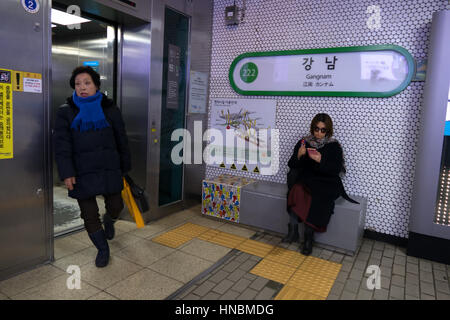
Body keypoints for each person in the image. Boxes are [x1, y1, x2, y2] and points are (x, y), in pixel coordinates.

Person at [54, 66, 131, 268]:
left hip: (109, 168)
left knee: (116, 206)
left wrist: (125, 168)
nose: (82, 87)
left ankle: (110, 219)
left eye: (87, 83)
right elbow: (62, 146)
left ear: (96, 85)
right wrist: (67, 172)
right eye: (78, 84)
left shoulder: (111, 110)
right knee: (88, 214)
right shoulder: (66, 112)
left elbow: (121, 140)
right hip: (81, 172)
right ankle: (103, 249)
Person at [283, 113, 357, 255]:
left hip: (327, 181)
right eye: (316, 129)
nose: (319, 133)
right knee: (295, 191)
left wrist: (320, 160)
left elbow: (336, 170)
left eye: (323, 130)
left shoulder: (333, 146)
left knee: (317, 198)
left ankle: (308, 239)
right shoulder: (304, 142)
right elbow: (292, 164)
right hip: (307, 179)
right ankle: (293, 231)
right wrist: (299, 155)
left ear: (328, 131)